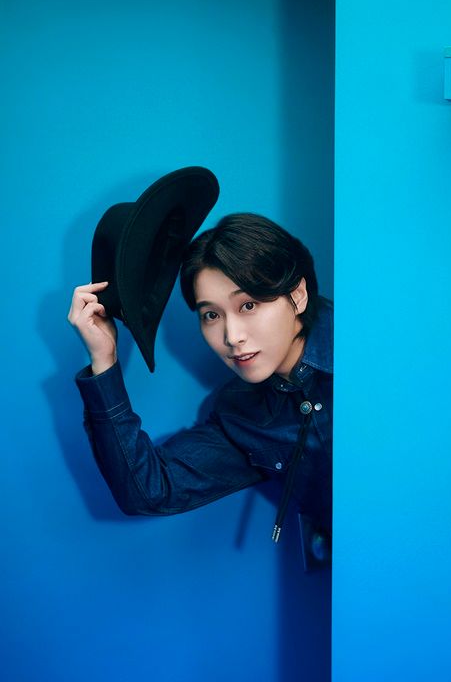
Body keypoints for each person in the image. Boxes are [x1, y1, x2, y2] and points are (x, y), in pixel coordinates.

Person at [69, 212, 332, 568]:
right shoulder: (242, 413)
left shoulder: (371, 346)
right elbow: (148, 491)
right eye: (211, 315)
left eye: (248, 305)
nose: (232, 337)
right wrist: (104, 361)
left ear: (297, 295)